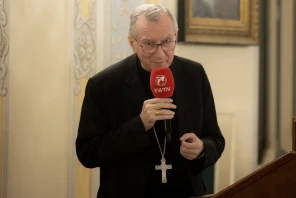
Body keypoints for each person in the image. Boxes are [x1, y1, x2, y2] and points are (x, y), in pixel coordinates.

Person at [76, 4, 225, 198]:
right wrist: (139, 125)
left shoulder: (194, 74)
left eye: (167, 41)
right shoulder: (103, 84)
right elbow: (87, 153)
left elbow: (216, 140)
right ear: (132, 43)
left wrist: (201, 149)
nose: (160, 54)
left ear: (176, 35)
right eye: (149, 44)